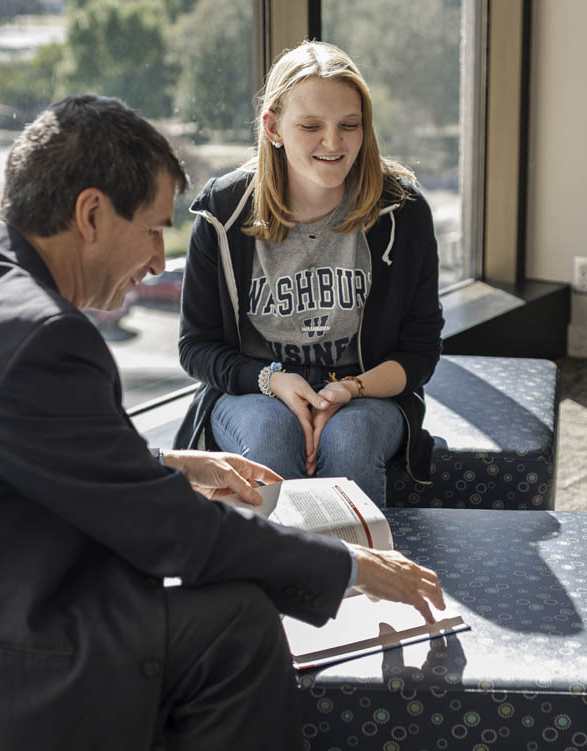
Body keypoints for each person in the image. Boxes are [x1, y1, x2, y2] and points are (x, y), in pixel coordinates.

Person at [0, 95, 446, 751]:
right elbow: (174, 534)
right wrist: (350, 566)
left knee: (147, 602)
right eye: (153, 228)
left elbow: (4, 445)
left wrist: (170, 461)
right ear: (91, 213)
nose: (158, 262)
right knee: (233, 625)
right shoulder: (39, 336)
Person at [173, 41, 444, 508]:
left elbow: (420, 349)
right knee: (272, 437)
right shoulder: (223, 211)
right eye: (311, 126)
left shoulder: (403, 210)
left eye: (349, 125)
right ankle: (273, 580)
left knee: (352, 438)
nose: (334, 143)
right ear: (273, 127)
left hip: (365, 391)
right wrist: (271, 380)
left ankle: (366, 579)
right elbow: (195, 346)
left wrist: (349, 389)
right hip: (256, 390)